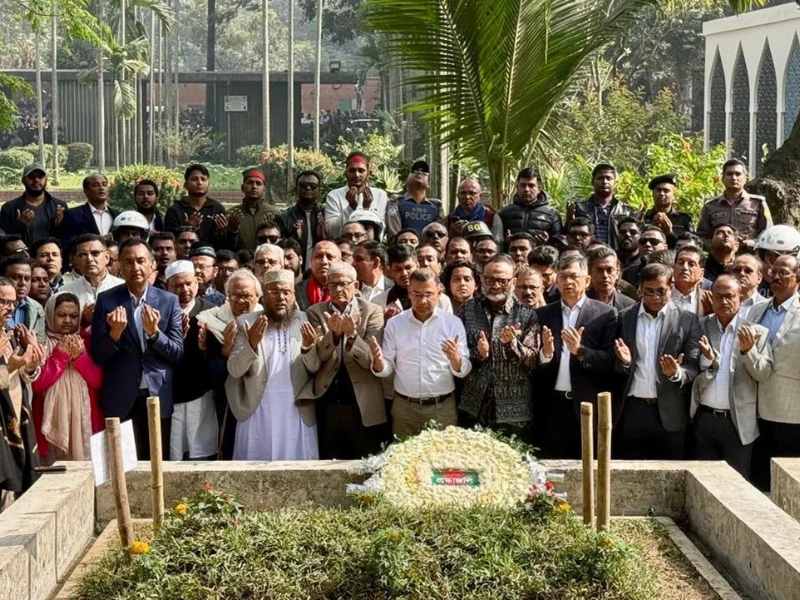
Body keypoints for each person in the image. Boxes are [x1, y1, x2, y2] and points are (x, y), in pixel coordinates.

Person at [90, 238, 184, 460]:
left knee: (158, 462)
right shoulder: (106, 300)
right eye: (129, 262)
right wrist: (114, 334)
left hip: (157, 393)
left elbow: (177, 352)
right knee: (123, 464)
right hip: (121, 395)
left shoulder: (169, 301)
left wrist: (154, 334)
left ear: (152, 264)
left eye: (141, 261)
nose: (136, 267)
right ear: (119, 266)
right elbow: (98, 354)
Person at [225, 269, 318, 460]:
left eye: (286, 292)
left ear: (293, 294)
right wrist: (251, 343)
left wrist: (309, 348)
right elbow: (234, 370)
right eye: (274, 292)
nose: (281, 297)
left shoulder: (305, 320)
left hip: (296, 409)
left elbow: (315, 368)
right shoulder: (247, 322)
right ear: (264, 295)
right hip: (258, 408)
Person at [613, 262, 701, 460]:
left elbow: (694, 366)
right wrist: (625, 362)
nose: (654, 297)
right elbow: (615, 367)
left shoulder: (687, 320)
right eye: (648, 291)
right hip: (633, 411)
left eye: (661, 291)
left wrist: (676, 373)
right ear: (640, 289)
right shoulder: (625, 318)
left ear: (671, 287)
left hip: (670, 413)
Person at [369, 268, 471, 436]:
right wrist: (379, 363)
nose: (423, 300)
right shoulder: (395, 324)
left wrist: (456, 360)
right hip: (405, 409)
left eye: (428, 294)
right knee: (404, 459)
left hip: (442, 409)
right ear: (409, 293)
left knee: (443, 460)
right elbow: (387, 368)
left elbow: (464, 369)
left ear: (439, 292)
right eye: (417, 294)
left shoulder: (452, 323)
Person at [535, 254, 617, 458]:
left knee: (586, 463)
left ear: (587, 280)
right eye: (562, 277)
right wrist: (545, 353)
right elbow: (535, 363)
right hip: (551, 403)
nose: (568, 282)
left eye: (573, 276)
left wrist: (580, 350)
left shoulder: (605, 314)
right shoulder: (543, 314)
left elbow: (609, 361)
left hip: (586, 404)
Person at [691, 275, 771, 479]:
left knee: (737, 483)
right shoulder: (702, 326)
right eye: (719, 297)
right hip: (705, 418)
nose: (724, 301)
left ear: (740, 298)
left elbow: (763, 373)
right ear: (712, 298)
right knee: (705, 482)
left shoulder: (756, 332)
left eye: (730, 296)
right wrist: (708, 359)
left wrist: (749, 351)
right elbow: (693, 366)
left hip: (738, 422)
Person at [304, 262, 387, 459]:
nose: (338, 289)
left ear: (356, 286)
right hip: (329, 399)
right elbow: (317, 358)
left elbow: (371, 361)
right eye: (333, 285)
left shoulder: (372, 312)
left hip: (362, 401)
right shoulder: (315, 312)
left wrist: (351, 336)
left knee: (365, 462)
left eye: (344, 284)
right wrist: (332, 336)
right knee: (329, 462)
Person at [458, 255, 539, 433]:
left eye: (502, 281)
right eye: (489, 279)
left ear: (513, 281)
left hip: (514, 409)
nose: (494, 285)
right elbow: (457, 356)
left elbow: (533, 360)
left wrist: (512, 345)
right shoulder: (467, 309)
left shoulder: (526, 315)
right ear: (481, 279)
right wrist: (480, 354)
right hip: (474, 405)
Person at [31, 291, 104, 463]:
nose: (68, 321)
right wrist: (60, 356)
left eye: (73, 316)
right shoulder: (40, 343)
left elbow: (98, 381)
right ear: (50, 314)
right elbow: (37, 384)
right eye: (61, 315)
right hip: (48, 420)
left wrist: (80, 357)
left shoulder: (87, 340)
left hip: (85, 419)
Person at [748, 255, 800, 490]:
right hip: (754, 408)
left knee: (787, 484)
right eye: (773, 271)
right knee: (759, 481)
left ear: (797, 277)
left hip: (790, 412)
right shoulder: (757, 310)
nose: (775, 277)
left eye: (784, 272)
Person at [167, 261, 219, 461]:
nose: (184, 290)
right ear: (168, 286)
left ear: (197, 283)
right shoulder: (162, 309)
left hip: (202, 389)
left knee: (202, 451)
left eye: (189, 284)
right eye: (178, 285)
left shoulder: (210, 310)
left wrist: (205, 347)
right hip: (172, 390)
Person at [0, 277, 45, 498]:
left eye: (11, 303)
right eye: (2, 302)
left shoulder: (11, 335)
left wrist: (31, 364)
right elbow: (8, 371)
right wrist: (10, 367)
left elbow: (24, 377)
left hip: (17, 413)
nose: (8, 308)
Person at [697, 158, 772, 250]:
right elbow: (701, 237)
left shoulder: (758, 203)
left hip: (748, 258)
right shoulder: (710, 206)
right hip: (718, 258)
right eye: (729, 174)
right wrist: (717, 244)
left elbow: (769, 235)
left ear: (745, 178)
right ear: (722, 178)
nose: (734, 178)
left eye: (738, 174)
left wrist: (751, 243)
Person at [566, 163, 638, 251]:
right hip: (587, 255)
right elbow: (568, 234)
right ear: (593, 181)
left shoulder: (626, 210)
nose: (604, 182)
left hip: (617, 256)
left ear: (615, 182)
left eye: (608, 178)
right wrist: (569, 219)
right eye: (600, 178)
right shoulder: (579, 208)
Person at [374, 244, 452, 318]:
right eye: (398, 269)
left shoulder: (441, 300)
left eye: (408, 268)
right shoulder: (379, 302)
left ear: (417, 266)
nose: (404, 273)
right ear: (390, 271)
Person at [164, 164, 231, 249]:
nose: (199, 183)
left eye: (203, 179)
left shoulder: (217, 208)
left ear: (208, 184)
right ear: (185, 185)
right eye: (194, 179)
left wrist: (223, 231)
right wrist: (188, 228)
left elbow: (224, 243)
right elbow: (170, 240)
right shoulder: (175, 210)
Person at [325, 152, 388, 240]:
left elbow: (382, 229)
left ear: (368, 173)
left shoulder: (380, 195)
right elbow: (331, 231)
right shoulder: (334, 195)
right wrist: (350, 208)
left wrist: (367, 210)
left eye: (361, 170)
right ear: (346, 172)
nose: (356, 174)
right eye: (352, 170)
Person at [0, 164, 67, 244]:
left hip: (51, 254)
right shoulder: (9, 208)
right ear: (23, 180)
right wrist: (20, 225)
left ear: (46, 179)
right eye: (31, 177)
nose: (36, 180)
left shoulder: (59, 206)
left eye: (40, 177)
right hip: (21, 255)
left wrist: (60, 224)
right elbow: (4, 240)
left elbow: (68, 237)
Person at [62, 234, 124, 318]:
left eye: (95, 253)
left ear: (107, 257)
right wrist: (81, 318)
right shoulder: (66, 291)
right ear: (75, 261)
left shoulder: (123, 287)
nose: (89, 259)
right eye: (83, 255)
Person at [498, 168, 562, 244]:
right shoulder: (505, 213)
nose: (526, 189)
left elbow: (559, 243)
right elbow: (496, 242)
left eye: (531, 185)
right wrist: (507, 242)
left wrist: (546, 243)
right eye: (523, 185)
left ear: (539, 189)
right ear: (517, 187)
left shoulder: (552, 214)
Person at [279, 170, 326, 268]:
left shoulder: (327, 214)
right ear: (296, 188)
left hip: (321, 268)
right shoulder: (285, 216)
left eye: (313, 186)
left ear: (319, 189)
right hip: (294, 270)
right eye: (303, 185)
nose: (308, 188)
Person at [385, 160, 442, 238]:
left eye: (424, 172)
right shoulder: (395, 202)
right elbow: (394, 234)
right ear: (407, 179)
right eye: (415, 170)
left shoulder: (437, 206)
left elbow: (440, 234)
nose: (419, 172)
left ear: (429, 184)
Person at [61, 173, 118, 247]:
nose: (101, 188)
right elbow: (67, 242)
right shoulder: (72, 215)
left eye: (104, 184)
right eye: (95, 185)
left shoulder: (117, 215)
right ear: (86, 191)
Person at [228, 168, 275, 251]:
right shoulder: (232, 214)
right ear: (242, 187)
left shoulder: (274, 213)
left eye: (258, 183)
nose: (254, 186)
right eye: (250, 183)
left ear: (264, 189)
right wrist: (232, 230)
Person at [2, 255, 46, 342]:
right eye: (16, 278)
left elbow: (41, 343)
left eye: (27, 279)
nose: (22, 283)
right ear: (3, 278)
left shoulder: (37, 309)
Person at [643, 174, 694, 247]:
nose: (661, 193)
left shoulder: (685, 219)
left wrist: (670, 234)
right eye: (658, 190)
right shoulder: (643, 217)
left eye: (666, 191)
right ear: (653, 194)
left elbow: (689, 247)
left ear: (673, 195)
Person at [586, 246, 635, 312]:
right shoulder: (579, 303)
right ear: (590, 272)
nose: (605, 275)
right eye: (599, 270)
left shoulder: (630, 306)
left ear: (617, 272)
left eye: (609, 270)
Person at [296, 241, 341, 311]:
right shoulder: (296, 291)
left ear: (340, 262)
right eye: (319, 256)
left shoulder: (348, 291)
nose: (324, 261)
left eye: (329, 257)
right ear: (310, 262)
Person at [672, 245, 711, 316]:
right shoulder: (661, 294)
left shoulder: (708, 300)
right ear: (673, 268)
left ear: (701, 273)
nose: (685, 267)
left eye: (691, 264)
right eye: (681, 263)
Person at [731, 254, 766, 319]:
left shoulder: (766, 306)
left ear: (759, 278)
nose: (742, 273)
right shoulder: (721, 302)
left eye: (748, 271)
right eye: (737, 270)